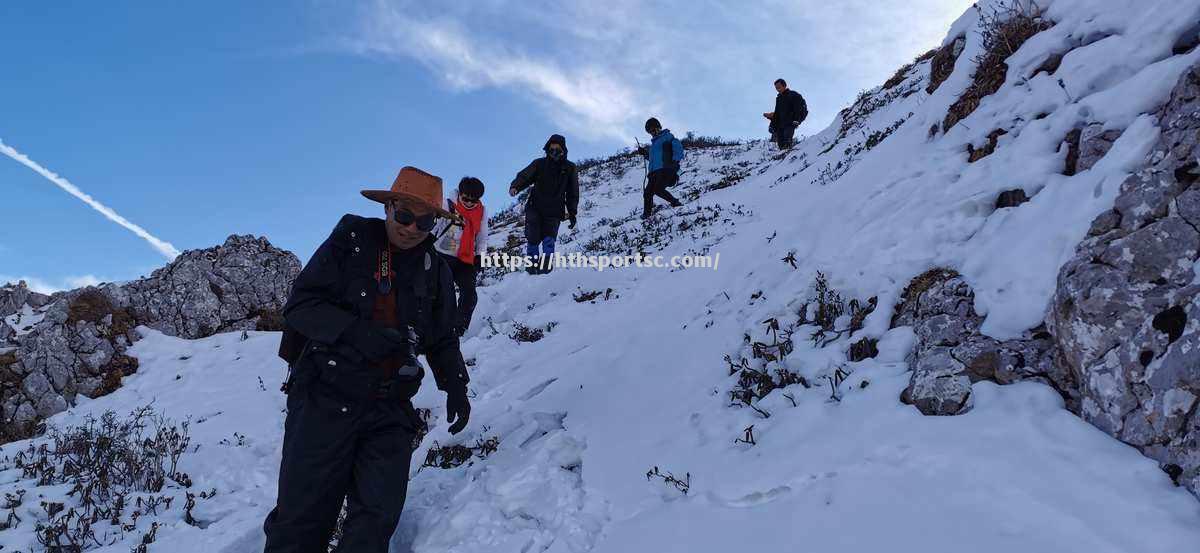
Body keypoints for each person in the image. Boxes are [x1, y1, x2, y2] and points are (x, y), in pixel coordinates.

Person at [264, 166, 472, 553]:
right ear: (388, 208)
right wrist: (357, 333)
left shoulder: (436, 271)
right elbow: (301, 305)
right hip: (324, 398)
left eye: (424, 220)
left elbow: (442, 338)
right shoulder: (350, 241)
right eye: (404, 215)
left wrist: (456, 385)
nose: (411, 227)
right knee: (302, 519)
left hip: (389, 408)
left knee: (375, 520)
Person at [508, 134, 580, 274]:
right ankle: (532, 264)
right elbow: (526, 175)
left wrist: (572, 212)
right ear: (547, 149)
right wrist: (516, 186)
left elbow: (573, 192)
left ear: (563, 150)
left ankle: (546, 265)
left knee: (549, 238)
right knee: (532, 237)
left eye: (557, 149)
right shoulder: (539, 164)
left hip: (554, 210)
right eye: (551, 149)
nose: (554, 152)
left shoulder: (570, 168)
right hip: (535, 206)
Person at [432, 177, 488, 336]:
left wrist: (480, 256)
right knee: (442, 293)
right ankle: (436, 326)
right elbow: (434, 227)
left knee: (470, 294)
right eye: (466, 199)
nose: (469, 203)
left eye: (474, 200)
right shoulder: (447, 204)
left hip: (465, 259)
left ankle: (459, 330)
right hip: (442, 255)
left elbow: (482, 237)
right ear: (460, 194)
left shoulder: (482, 212)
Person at [637, 117, 684, 219]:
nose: (652, 133)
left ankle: (675, 202)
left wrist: (675, 163)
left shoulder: (668, 137)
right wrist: (644, 153)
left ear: (659, 127)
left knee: (658, 189)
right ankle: (646, 215)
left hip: (665, 170)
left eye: (653, 130)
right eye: (650, 132)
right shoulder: (653, 145)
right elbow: (653, 159)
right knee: (647, 193)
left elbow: (678, 148)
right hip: (653, 173)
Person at [762, 78, 808, 150]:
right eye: (776, 88)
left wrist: (797, 120)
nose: (777, 89)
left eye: (779, 87)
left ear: (784, 86)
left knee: (787, 142)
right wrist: (771, 122)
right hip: (780, 125)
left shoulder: (793, 95)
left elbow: (800, 108)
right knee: (781, 145)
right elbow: (777, 113)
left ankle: (790, 157)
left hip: (790, 122)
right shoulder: (779, 99)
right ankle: (784, 158)